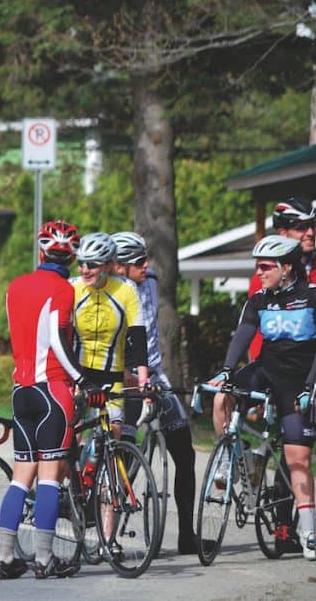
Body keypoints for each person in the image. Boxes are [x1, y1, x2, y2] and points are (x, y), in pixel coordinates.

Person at [209, 235, 316, 561]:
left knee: (297, 459)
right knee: (222, 397)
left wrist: (311, 385)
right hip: (266, 368)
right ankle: (232, 459)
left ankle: (306, 533)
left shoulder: (315, 297)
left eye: (265, 266)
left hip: (299, 377)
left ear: (286, 267)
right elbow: (242, 337)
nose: (259, 272)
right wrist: (226, 371)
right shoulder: (259, 299)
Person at [0, 219, 88, 580]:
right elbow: (57, 339)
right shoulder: (64, 289)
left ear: (41, 252)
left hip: (21, 393)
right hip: (52, 390)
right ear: (72, 256)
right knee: (48, 478)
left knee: (21, 477)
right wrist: (82, 377)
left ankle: (5, 557)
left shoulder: (14, 287)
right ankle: (45, 559)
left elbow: (23, 337)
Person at [111, 231, 199, 555]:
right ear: (118, 266)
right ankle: (110, 533)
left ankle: (187, 536)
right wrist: (130, 379)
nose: (146, 265)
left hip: (155, 377)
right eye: (138, 261)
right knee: (124, 456)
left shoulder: (149, 281)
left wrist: (150, 378)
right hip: (123, 380)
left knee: (185, 452)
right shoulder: (109, 292)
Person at [72, 232, 149, 439]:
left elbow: (138, 334)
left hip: (111, 376)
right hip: (78, 374)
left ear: (107, 265)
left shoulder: (126, 290)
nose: (85, 270)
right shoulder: (72, 288)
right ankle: (74, 469)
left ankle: (105, 470)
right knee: (73, 433)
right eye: (81, 263)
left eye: (92, 264)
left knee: (114, 432)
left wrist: (143, 378)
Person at [247, 198, 316, 359]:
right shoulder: (266, 275)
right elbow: (255, 328)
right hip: (278, 368)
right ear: (283, 233)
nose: (310, 233)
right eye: (301, 227)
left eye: (312, 225)